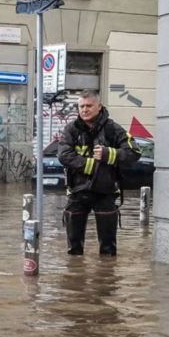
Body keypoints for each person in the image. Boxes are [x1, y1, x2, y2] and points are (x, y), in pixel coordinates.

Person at [56, 89, 141, 256]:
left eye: (89, 106)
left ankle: (107, 278)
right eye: (81, 106)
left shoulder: (113, 129)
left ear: (99, 106)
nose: (84, 110)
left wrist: (108, 154)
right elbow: (63, 155)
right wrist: (92, 165)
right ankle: (75, 277)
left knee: (108, 250)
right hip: (77, 192)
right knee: (73, 250)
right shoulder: (71, 129)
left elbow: (134, 153)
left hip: (106, 192)